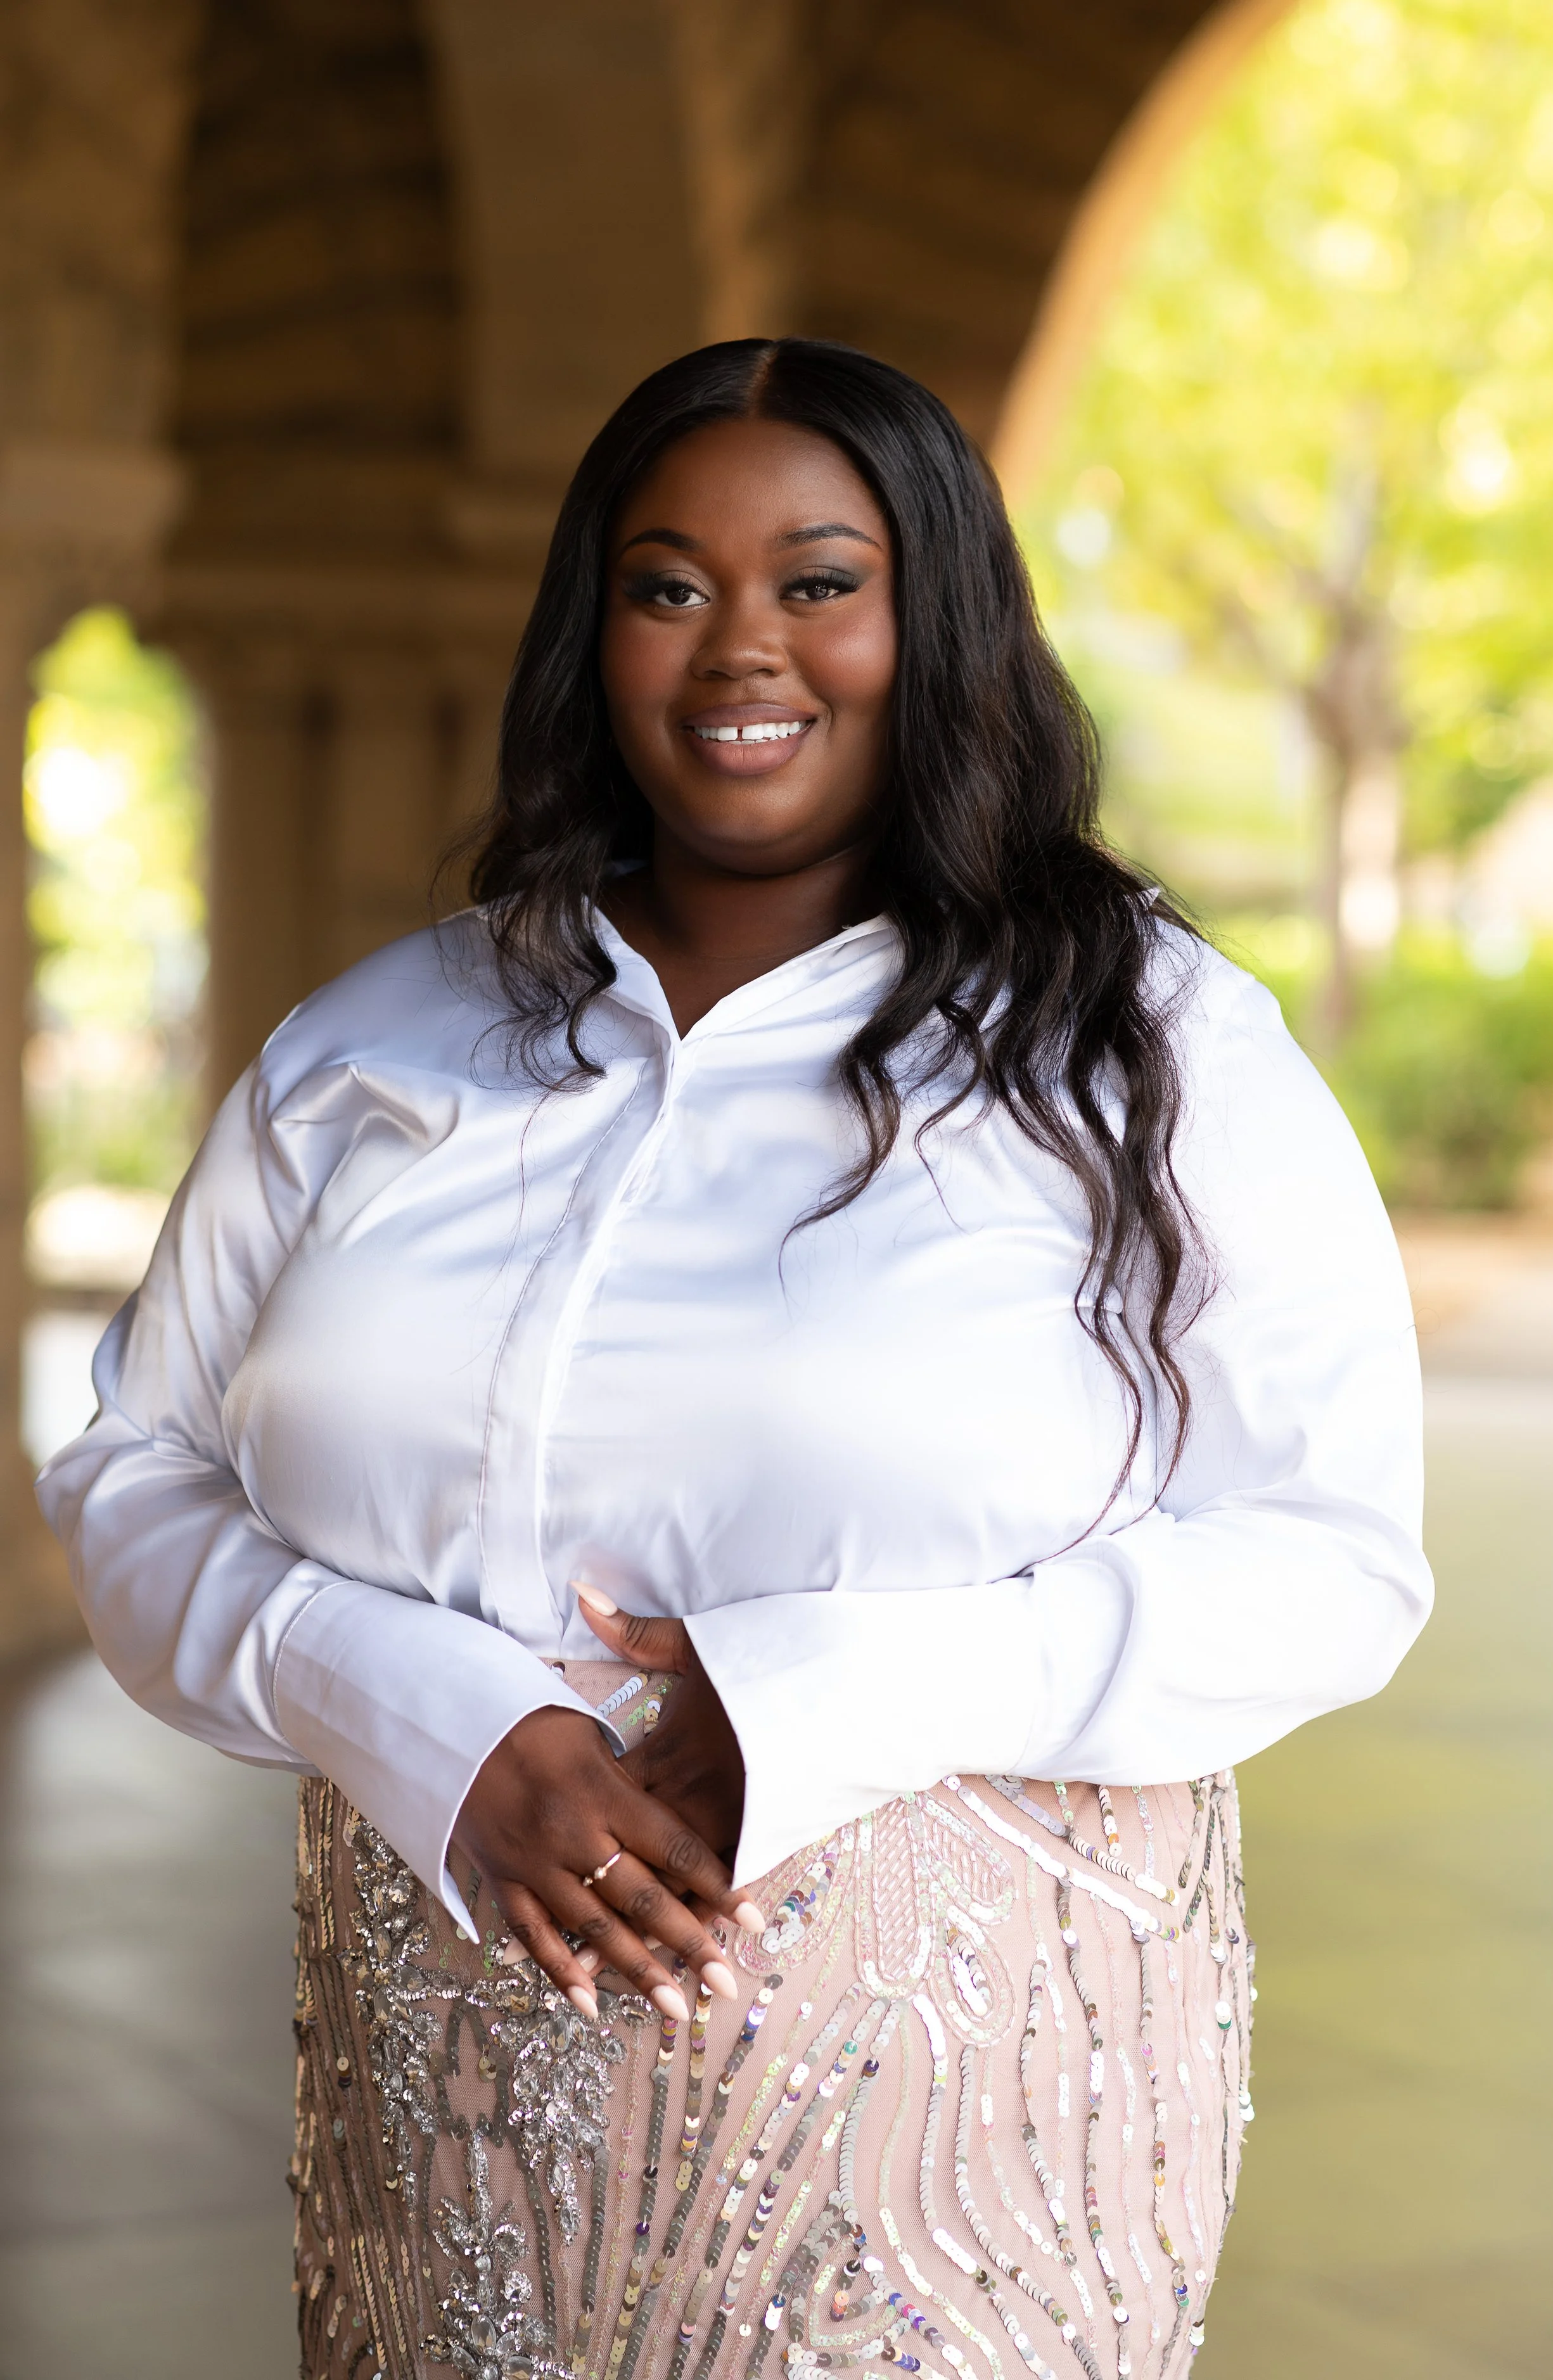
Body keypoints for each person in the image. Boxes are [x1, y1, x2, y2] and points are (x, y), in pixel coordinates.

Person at [37, 338, 1431, 2380]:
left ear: (933, 617)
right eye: (667, 584)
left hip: (944, 2161)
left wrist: (833, 1690)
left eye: (820, 581)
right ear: (590, 631)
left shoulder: (1145, 1053)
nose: (736, 652)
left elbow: (1331, 1553)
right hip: (447, 2166)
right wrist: (423, 1705)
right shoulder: (376, 1049)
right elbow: (131, 1469)